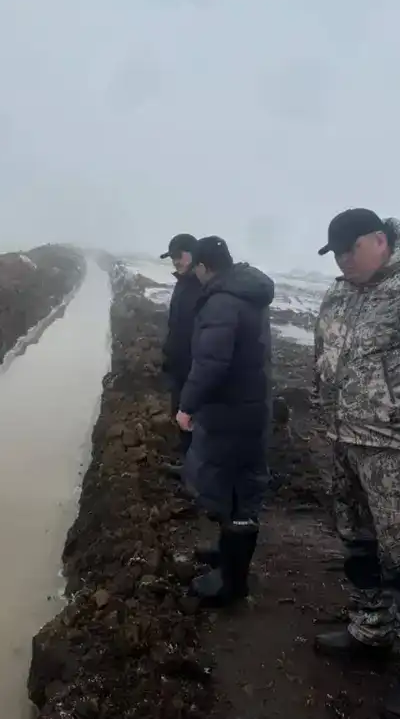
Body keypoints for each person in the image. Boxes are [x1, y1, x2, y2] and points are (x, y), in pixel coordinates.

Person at [313, 208, 400, 719]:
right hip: (347, 443)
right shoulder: (338, 293)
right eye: (337, 253)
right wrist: (327, 418)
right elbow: (325, 357)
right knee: (358, 541)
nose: (344, 260)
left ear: (380, 240)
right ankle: (370, 630)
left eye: (351, 249)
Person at [176, 236, 274, 606]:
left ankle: (231, 586)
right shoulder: (247, 293)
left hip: (232, 410)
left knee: (236, 493)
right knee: (235, 487)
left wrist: (187, 405)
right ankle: (225, 556)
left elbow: (211, 363)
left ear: (203, 267)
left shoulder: (222, 301)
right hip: (247, 405)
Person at [159, 233, 202, 464]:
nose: (175, 261)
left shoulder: (202, 286)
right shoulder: (183, 283)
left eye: (179, 255)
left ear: (193, 254)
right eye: (172, 257)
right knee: (180, 415)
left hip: (193, 367)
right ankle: (187, 464)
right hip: (179, 365)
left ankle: (194, 473)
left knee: (192, 418)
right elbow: (177, 325)